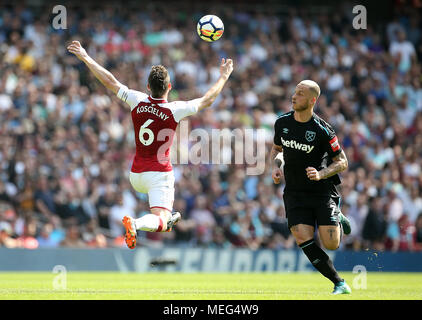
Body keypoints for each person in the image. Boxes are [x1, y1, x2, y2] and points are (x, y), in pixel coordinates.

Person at [67, 41, 233, 249]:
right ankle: (136, 223)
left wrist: (85, 57)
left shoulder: (137, 100)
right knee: (162, 222)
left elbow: (110, 81)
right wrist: (224, 76)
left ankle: (162, 219)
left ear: (148, 87)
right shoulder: (174, 109)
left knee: (166, 221)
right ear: (169, 87)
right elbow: (207, 100)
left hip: (136, 174)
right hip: (159, 173)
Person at [271, 80, 352, 294]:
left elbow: (342, 161)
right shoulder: (282, 123)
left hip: (321, 191)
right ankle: (339, 282)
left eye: (300, 93)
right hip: (295, 192)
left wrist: (321, 174)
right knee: (301, 237)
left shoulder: (323, 130)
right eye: (294, 92)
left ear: (312, 100)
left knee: (331, 244)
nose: (293, 96)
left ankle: (337, 214)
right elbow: (278, 149)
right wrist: (277, 166)